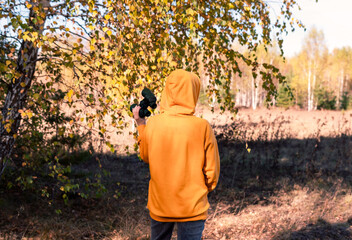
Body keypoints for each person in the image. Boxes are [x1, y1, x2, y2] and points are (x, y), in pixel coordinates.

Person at [133, 69, 220, 240]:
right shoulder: (202, 126)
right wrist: (202, 190)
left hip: (160, 204)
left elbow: (145, 156)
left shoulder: (154, 123)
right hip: (192, 206)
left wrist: (140, 124)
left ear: (168, 91)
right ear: (193, 92)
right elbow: (212, 170)